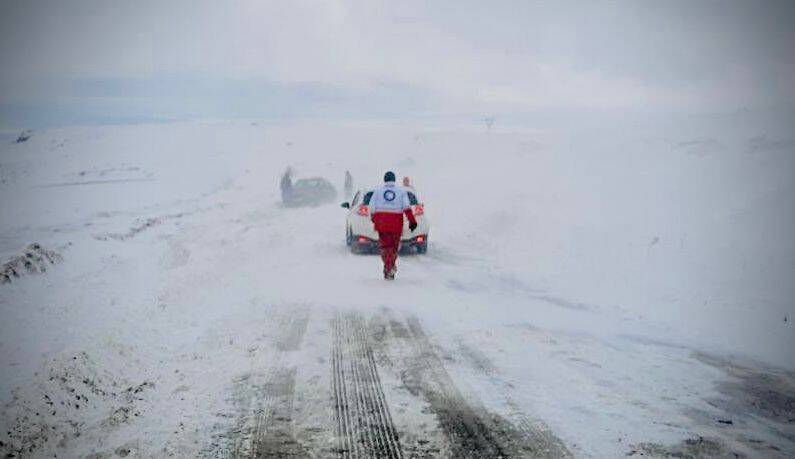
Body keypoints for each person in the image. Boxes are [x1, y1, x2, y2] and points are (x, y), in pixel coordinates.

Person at [369, 171, 417, 280]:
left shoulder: (377, 191)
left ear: (384, 179)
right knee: (394, 248)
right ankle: (390, 267)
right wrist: (412, 221)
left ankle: (388, 267)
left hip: (382, 223)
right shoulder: (401, 191)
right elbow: (407, 207)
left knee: (385, 247)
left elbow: (371, 208)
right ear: (394, 180)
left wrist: (374, 220)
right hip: (396, 224)